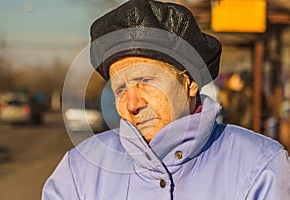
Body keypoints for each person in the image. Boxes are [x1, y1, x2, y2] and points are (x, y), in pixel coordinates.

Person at [42, 0, 290, 199]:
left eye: (146, 81)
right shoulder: (79, 169)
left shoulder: (260, 167)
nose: (131, 104)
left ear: (190, 82)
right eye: (120, 90)